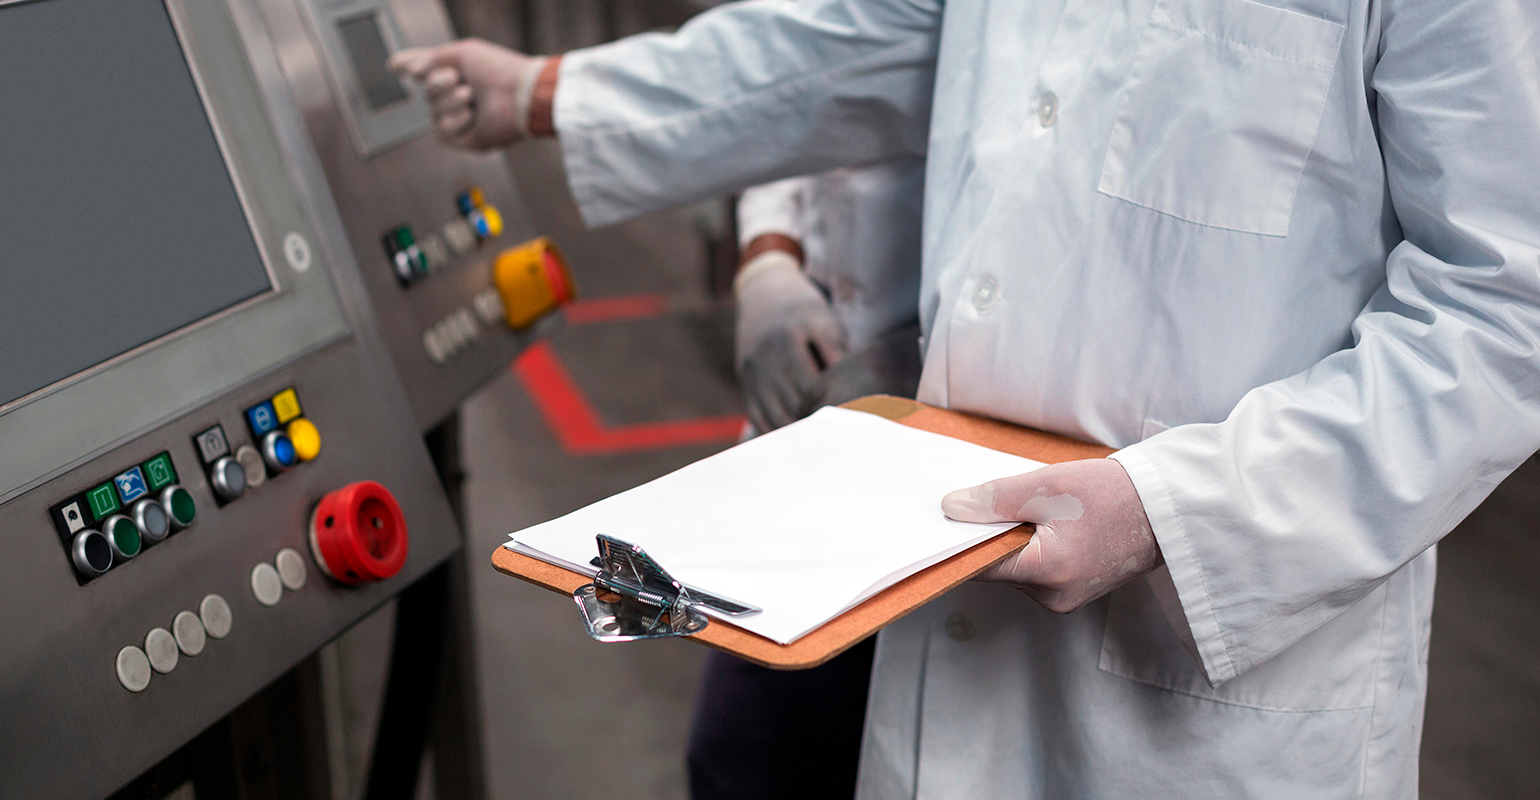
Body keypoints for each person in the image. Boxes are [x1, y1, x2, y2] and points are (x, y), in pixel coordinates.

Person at [391, 0, 1540, 795]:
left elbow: (1505, 311)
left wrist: (1170, 511)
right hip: (947, 574)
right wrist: (554, 91)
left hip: (1207, 684)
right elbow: (854, 43)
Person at [691, 159, 926, 800]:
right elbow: (791, 104)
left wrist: (925, 356)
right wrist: (768, 263)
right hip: (809, 400)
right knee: (737, 755)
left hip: (944, 447)